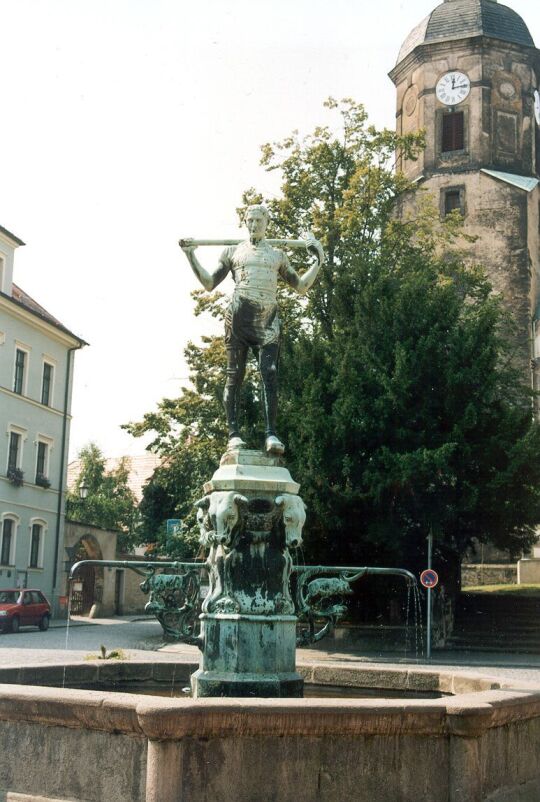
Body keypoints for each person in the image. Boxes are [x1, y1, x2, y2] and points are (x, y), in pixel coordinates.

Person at [180, 204, 324, 454]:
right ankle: (233, 434)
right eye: (250, 220)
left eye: (258, 220)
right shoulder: (232, 252)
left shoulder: (277, 256)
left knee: (269, 372)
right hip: (238, 318)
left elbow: (300, 286)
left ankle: (271, 434)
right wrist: (191, 255)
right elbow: (209, 283)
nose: (254, 225)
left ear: (267, 222)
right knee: (235, 374)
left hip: (268, 320)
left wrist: (318, 261)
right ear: (245, 223)